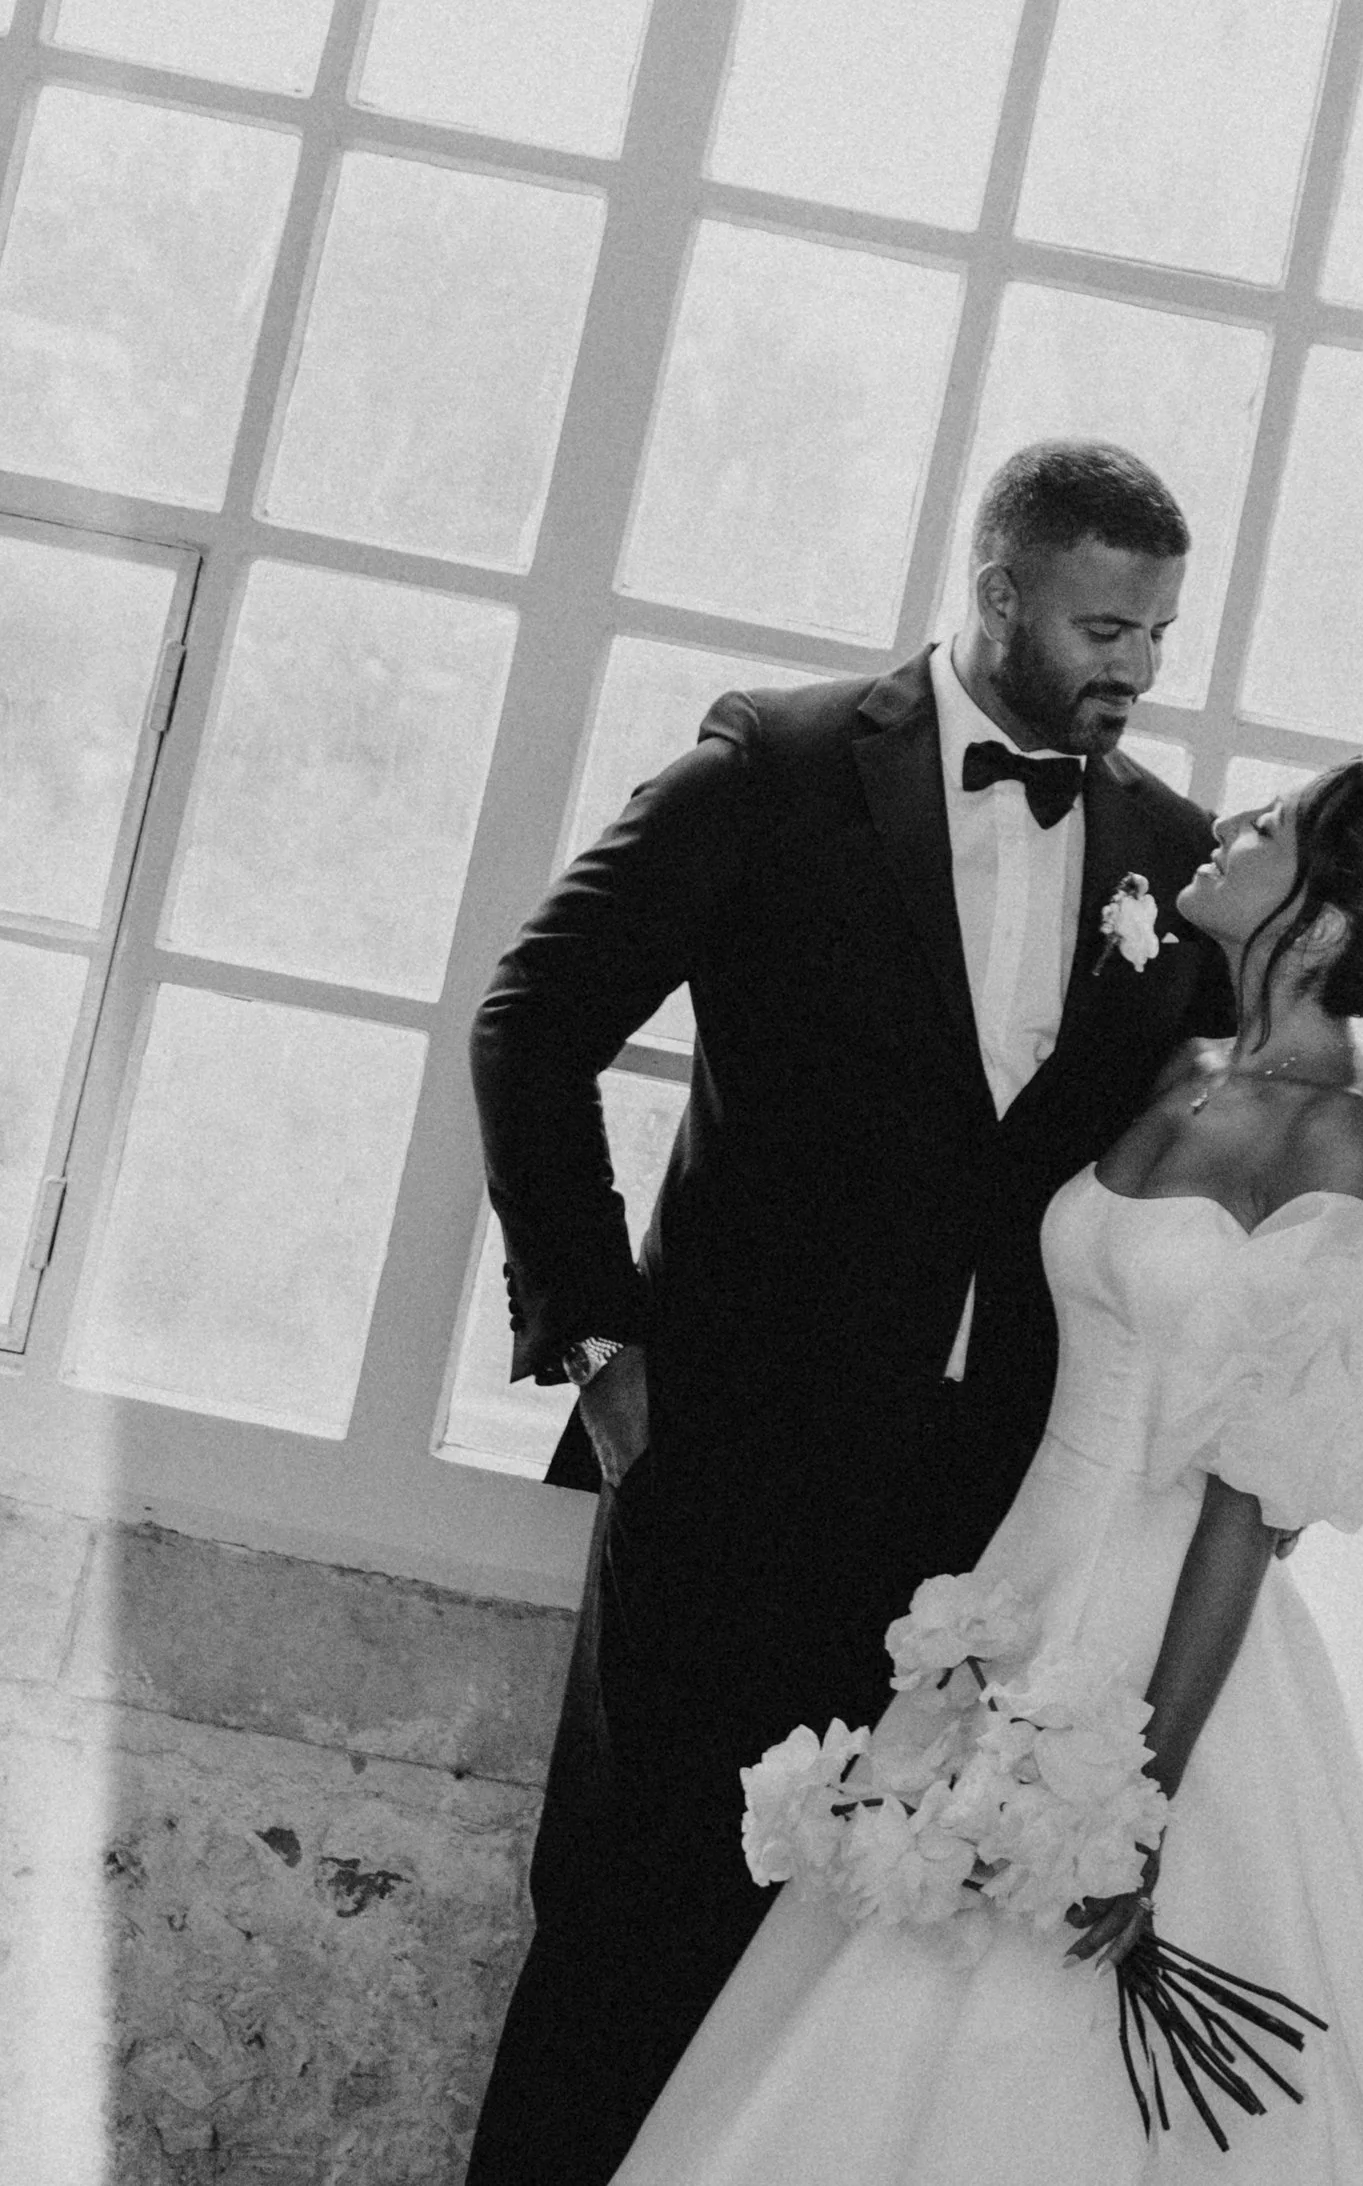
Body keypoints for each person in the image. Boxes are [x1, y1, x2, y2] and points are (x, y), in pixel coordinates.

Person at [609, 757, 1363, 2185]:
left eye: (1267, 827)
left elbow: (1254, 1505)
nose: (1225, 825)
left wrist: (1139, 1796)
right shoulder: (1185, 1066)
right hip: (1015, 1588)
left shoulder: (1346, 1135)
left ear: (1316, 923)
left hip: (1165, 1638)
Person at [463, 443, 1236, 2186]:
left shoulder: (1172, 857)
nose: (1136, 666)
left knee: (849, 2002)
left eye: (1159, 634)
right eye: (1104, 625)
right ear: (998, 592)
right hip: (725, 1469)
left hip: (993, 1533)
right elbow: (533, 1017)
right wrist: (598, 1337)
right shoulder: (778, 763)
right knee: (627, 1926)